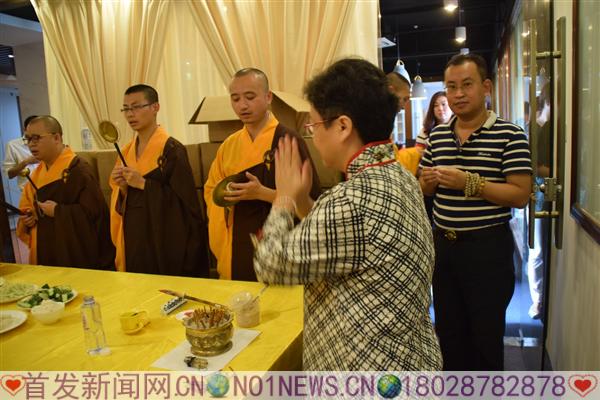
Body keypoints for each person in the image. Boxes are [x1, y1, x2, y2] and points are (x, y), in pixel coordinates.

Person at [253, 58, 442, 371]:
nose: (312, 136)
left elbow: (270, 264)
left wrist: (283, 198)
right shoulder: (399, 176)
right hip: (409, 359)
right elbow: (346, 243)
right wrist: (301, 200)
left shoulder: (351, 200)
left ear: (342, 126)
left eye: (314, 125)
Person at [419, 53, 532, 370]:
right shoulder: (438, 135)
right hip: (444, 247)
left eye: (466, 85)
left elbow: (520, 195)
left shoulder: (510, 134)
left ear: (486, 87)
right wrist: (427, 182)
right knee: (449, 335)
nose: (458, 94)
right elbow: (424, 188)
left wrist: (470, 182)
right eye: (451, 86)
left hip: (487, 249)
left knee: (485, 338)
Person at [204, 68, 320, 281]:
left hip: (278, 243)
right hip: (237, 240)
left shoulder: (287, 140)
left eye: (250, 97)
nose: (242, 105)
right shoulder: (229, 145)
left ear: (268, 97)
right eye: (235, 99)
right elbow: (211, 190)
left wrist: (262, 193)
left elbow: (311, 203)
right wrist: (225, 197)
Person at [109, 84, 208, 277]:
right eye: (126, 109)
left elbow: (186, 206)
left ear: (155, 107)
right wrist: (122, 188)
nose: (130, 114)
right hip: (135, 236)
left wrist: (143, 184)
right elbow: (122, 202)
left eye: (136, 107)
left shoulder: (172, 149)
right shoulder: (126, 151)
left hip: (163, 238)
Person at [16, 116, 114, 269]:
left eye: (36, 138)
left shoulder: (78, 170)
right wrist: (28, 220)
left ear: (56, 138)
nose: (31, 144)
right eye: (28, 139)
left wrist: (58, 211)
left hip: (75, 253)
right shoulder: (36, 174)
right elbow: (27, 208)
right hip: (47, 247)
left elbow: (96, 215)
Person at [527, 83, 552, 319]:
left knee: (545, 248)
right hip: (538, 194)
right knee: (537, 249)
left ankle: (542, 299)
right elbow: (532, 166)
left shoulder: (554, 129)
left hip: (547, 192)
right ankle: (537, 301)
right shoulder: (534, 129)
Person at [416, 92, 453, 222]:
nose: (440, 108)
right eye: (436, 105)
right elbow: (418, 155)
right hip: (429, 180)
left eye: (443, 104)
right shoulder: (425, 131)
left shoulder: (459, 128)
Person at [3, 115, 39, 190]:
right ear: (25, 129)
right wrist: (26, 162)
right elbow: (9, 174)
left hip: (51, 188)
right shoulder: (12, 145)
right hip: (28, 192)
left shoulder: (46, 142)